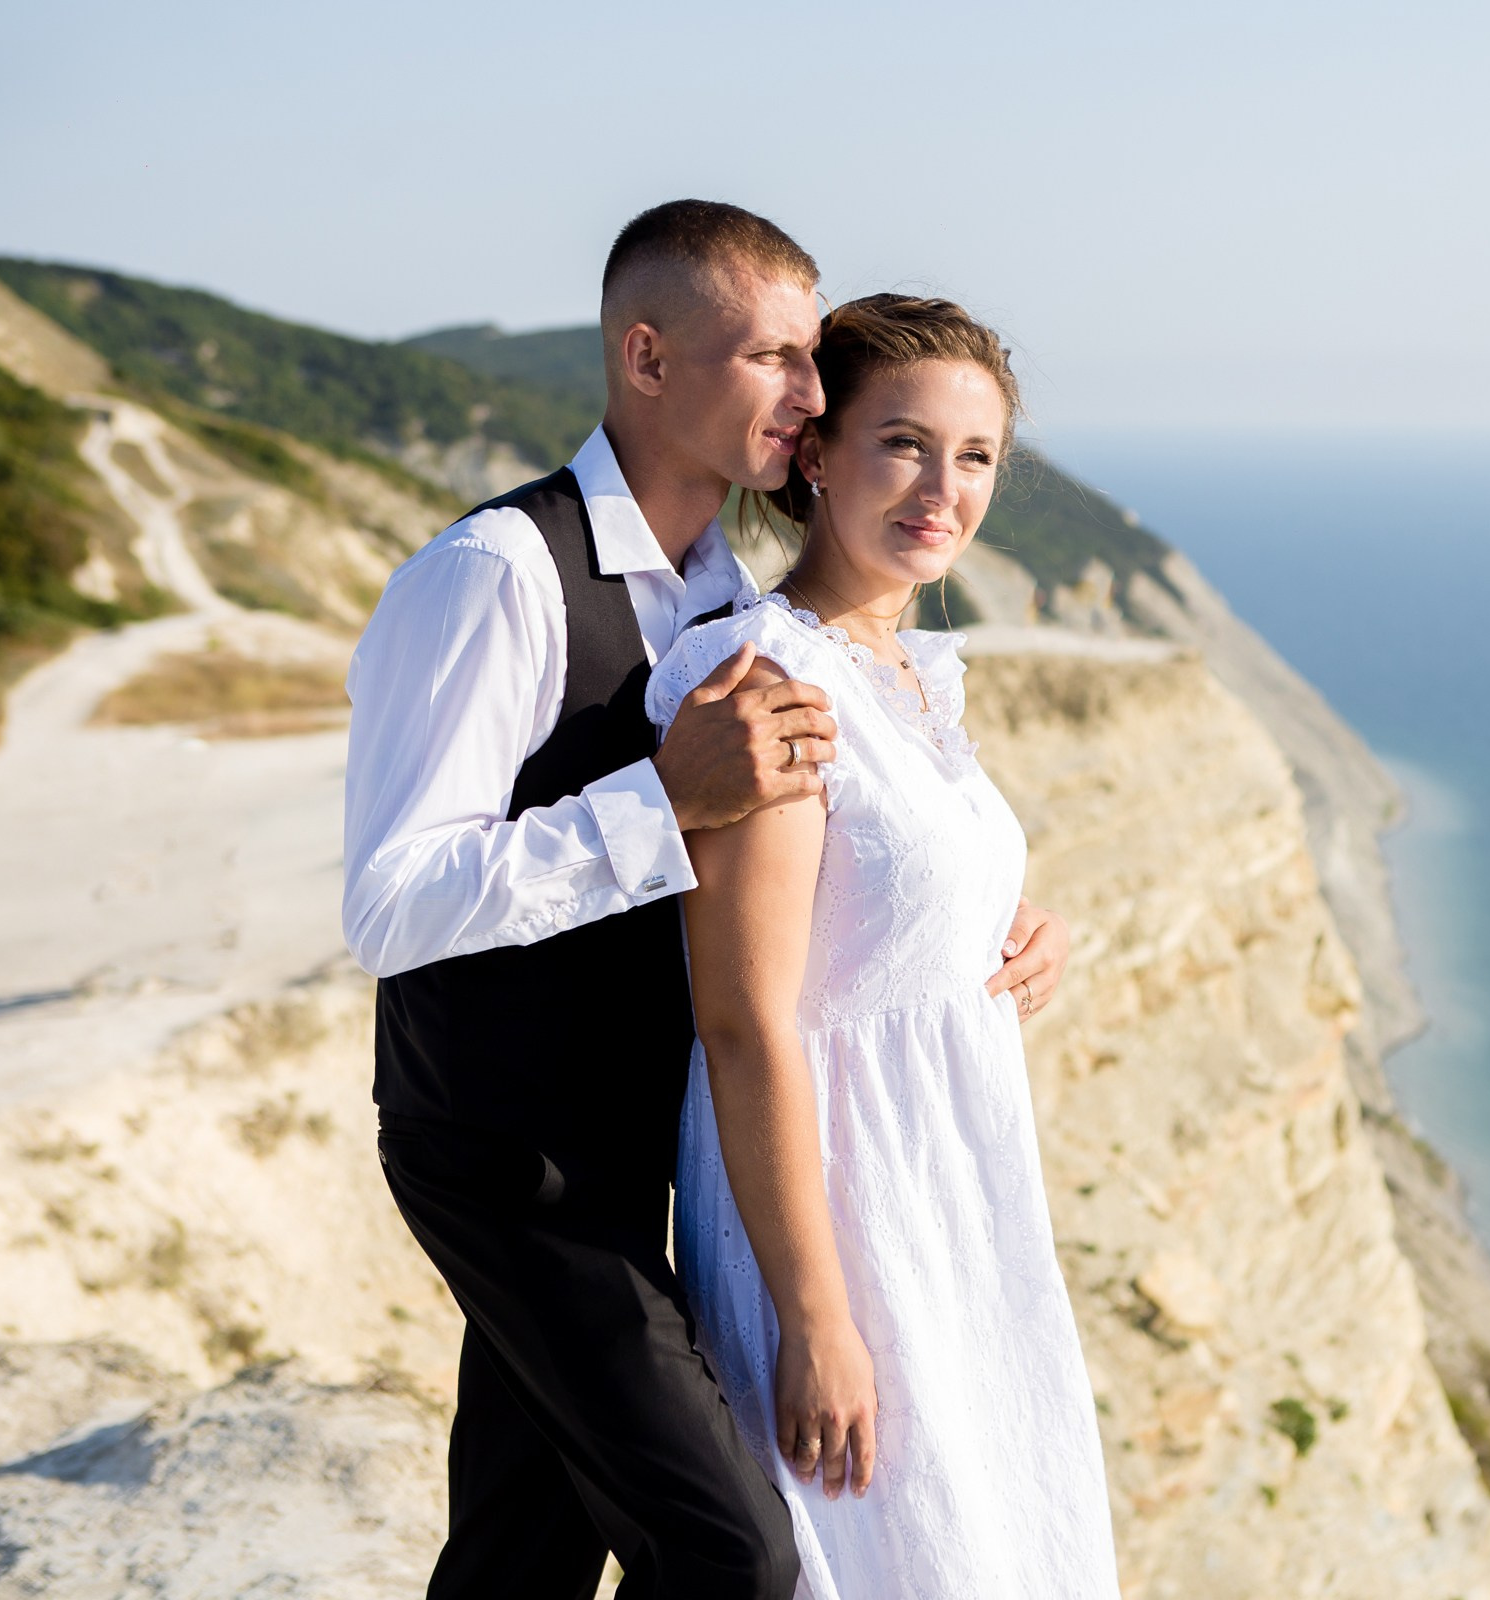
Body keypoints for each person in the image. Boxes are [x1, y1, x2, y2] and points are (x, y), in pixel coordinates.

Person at [341, 202, 1074, 1598]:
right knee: (730, 1552)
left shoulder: (716, 595)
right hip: (507, 1147)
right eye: (776, 360)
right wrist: (661, 802)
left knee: (523, 1541)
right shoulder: (496, 574)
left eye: (813, 363)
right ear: (649, 356)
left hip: (634, 1141)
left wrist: (997, 923)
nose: (810, 398)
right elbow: (388, 904)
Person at [648, 294, 1121, 1598]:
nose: (942, 489)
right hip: (847, 1210)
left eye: (973, 458)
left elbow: (891, 890)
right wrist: (816, 1319)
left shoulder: (911, 669)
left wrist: (1018, 929)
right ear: (816, 452)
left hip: (951, 1185)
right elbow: (745, 1018)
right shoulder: (771, 680)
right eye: (901, 444)